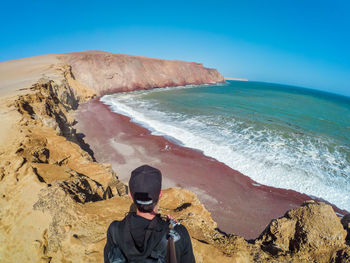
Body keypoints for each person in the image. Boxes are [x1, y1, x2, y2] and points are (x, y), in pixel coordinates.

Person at [104, 165, 195, 263]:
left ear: (130, 196)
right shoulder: (178, 235)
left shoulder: (114, 231)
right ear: (160, 194)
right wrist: (173, 228)